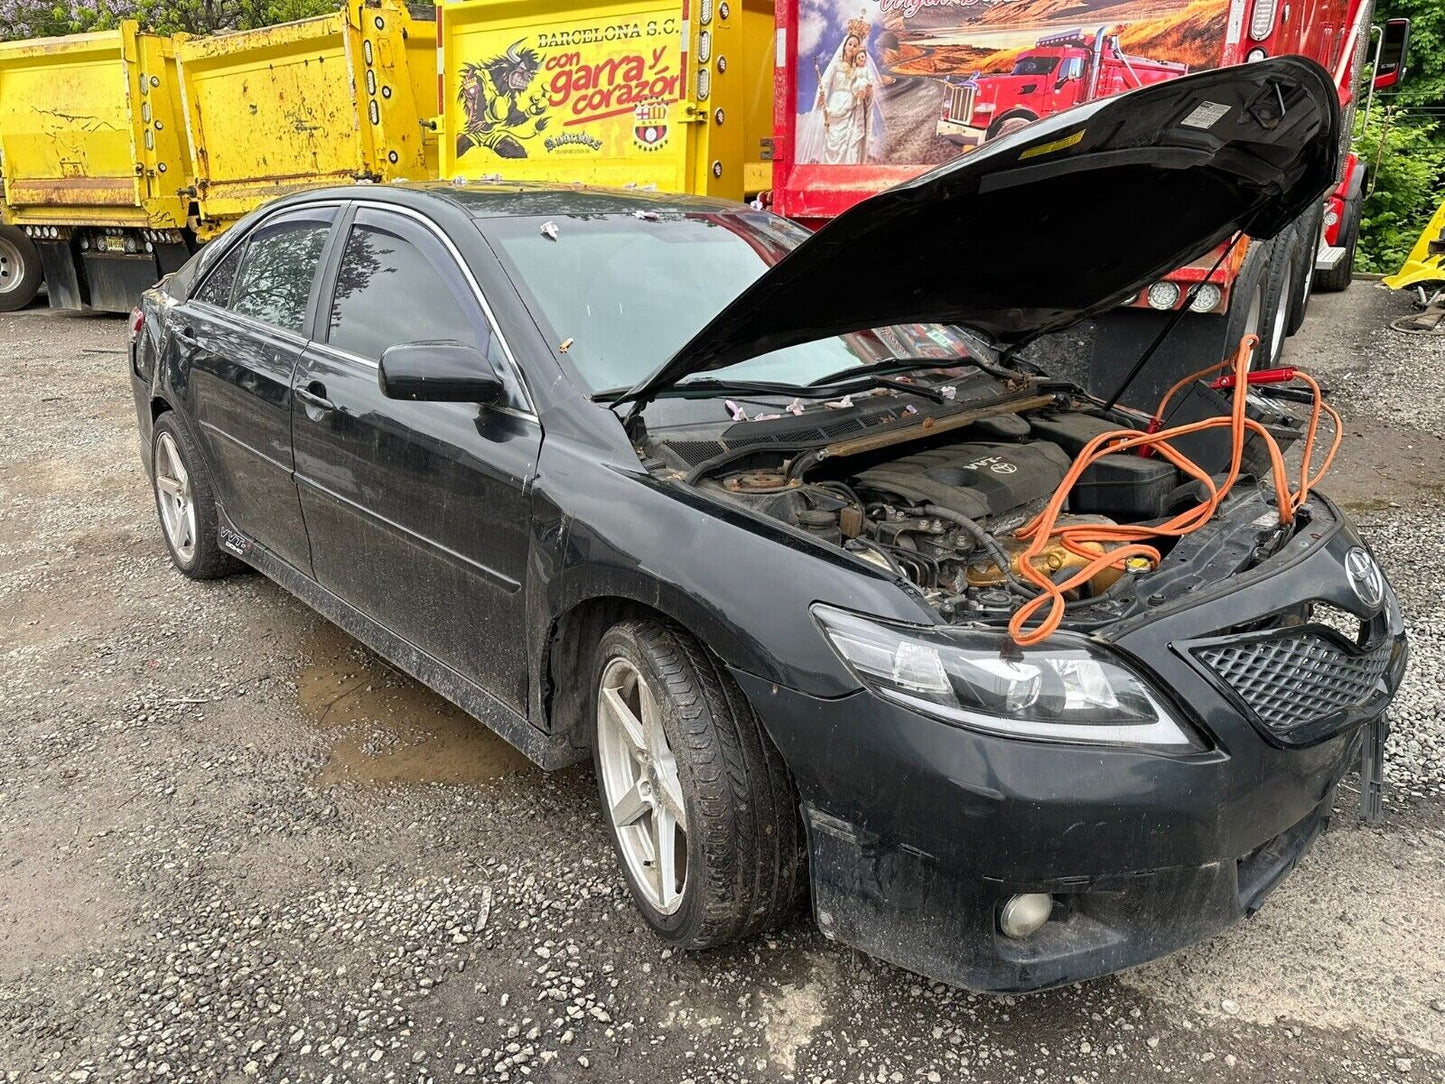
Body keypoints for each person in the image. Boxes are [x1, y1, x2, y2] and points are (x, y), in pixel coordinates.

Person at [796, 16, 886, 165]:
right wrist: (822, 95)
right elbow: (825, 82)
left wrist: (867, 91)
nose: (852, 47)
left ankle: (850, 172)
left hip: (852, 109)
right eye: (850, 44)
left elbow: (864, 88)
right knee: (833, 143)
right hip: (836, 107)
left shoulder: (859, 69)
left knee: (852, 143)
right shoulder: (836, 65)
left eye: (856, 45)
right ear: (844, 45)